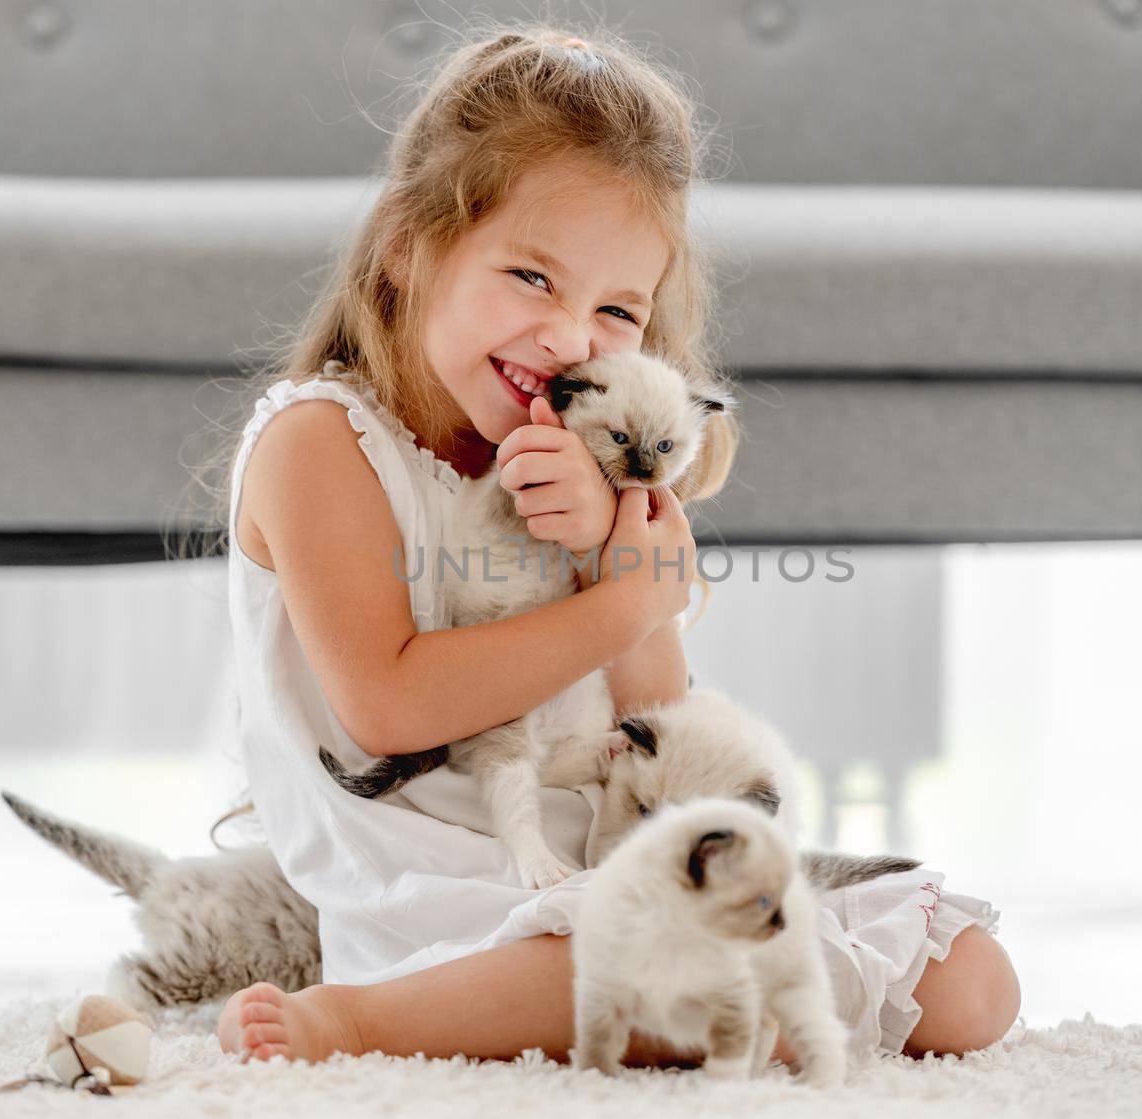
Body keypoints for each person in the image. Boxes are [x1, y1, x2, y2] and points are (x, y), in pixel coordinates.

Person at [210, 24, 1019, 1069]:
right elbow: (387, 704)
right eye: (532, 279)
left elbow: (661, 731)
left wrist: (615, 558)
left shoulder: (598, 466)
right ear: (409, 247)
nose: (569, 340)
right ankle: (357, 1022)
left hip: (605, 864)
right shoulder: (318, 444)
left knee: (973, 979)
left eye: (616, 310)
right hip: (433, 903)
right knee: (688, 977)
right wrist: (622, 602)